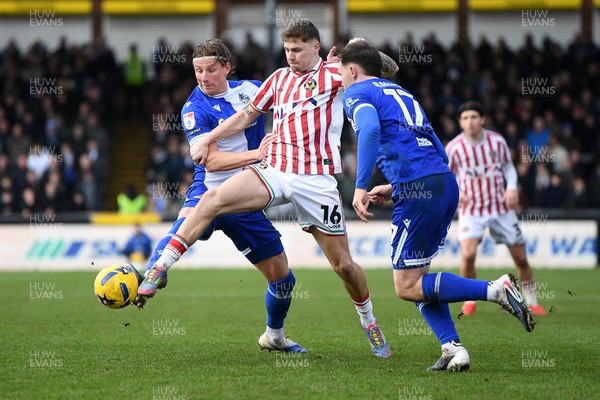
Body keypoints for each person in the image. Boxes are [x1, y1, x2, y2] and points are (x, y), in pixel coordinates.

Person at [139, 22, 392, 358]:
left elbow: (389, 70)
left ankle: (369, 323)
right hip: (275, 168)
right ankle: (159, 267)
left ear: (316, 47)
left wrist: (357, 51)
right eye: (287, 49)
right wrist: (209, 139)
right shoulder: (277, 79)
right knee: (211, 199)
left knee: (343, 266)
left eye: (298, 49)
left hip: (316, 180)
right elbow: (245, 117)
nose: (291, 56)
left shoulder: (338, 74)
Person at [338, 40, 534, 372]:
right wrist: (397, 186)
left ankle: (495, 290)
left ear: (353, 71)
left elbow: (369, 132)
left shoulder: (356, 94)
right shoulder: (401, 93)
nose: (341, 79)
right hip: (442, 181)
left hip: (420, 186)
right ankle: (452, 348)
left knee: (407, 286)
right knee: (419, 279)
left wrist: (360, 186)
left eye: (342, 72)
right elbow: (439, 153)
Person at [137, 39, 306, 353]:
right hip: (210, 189)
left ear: (227, 67)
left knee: (283, 279)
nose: (203, 77)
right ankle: (154, 271)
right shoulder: (193, 109)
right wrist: (258, 154)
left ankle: (274, 336)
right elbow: (210, 161)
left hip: (246, 197)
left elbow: (298, 89)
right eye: (198, 70)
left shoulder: (254, 90)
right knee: (185, 224)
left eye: (210, 69)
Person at [446, 101, 547, 316]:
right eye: (465, 118)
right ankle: (470, 299)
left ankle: (532, 301)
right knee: (468, 254)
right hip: (472, 209)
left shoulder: (497, 142)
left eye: (474, 117)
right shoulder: (454, 147)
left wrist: (511, 189)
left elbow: (509, 169)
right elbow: (448, 176)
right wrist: (456, 191)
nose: (470, 122)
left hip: (500, 207)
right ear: (460, 122)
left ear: (482, 119)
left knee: (520, 257)